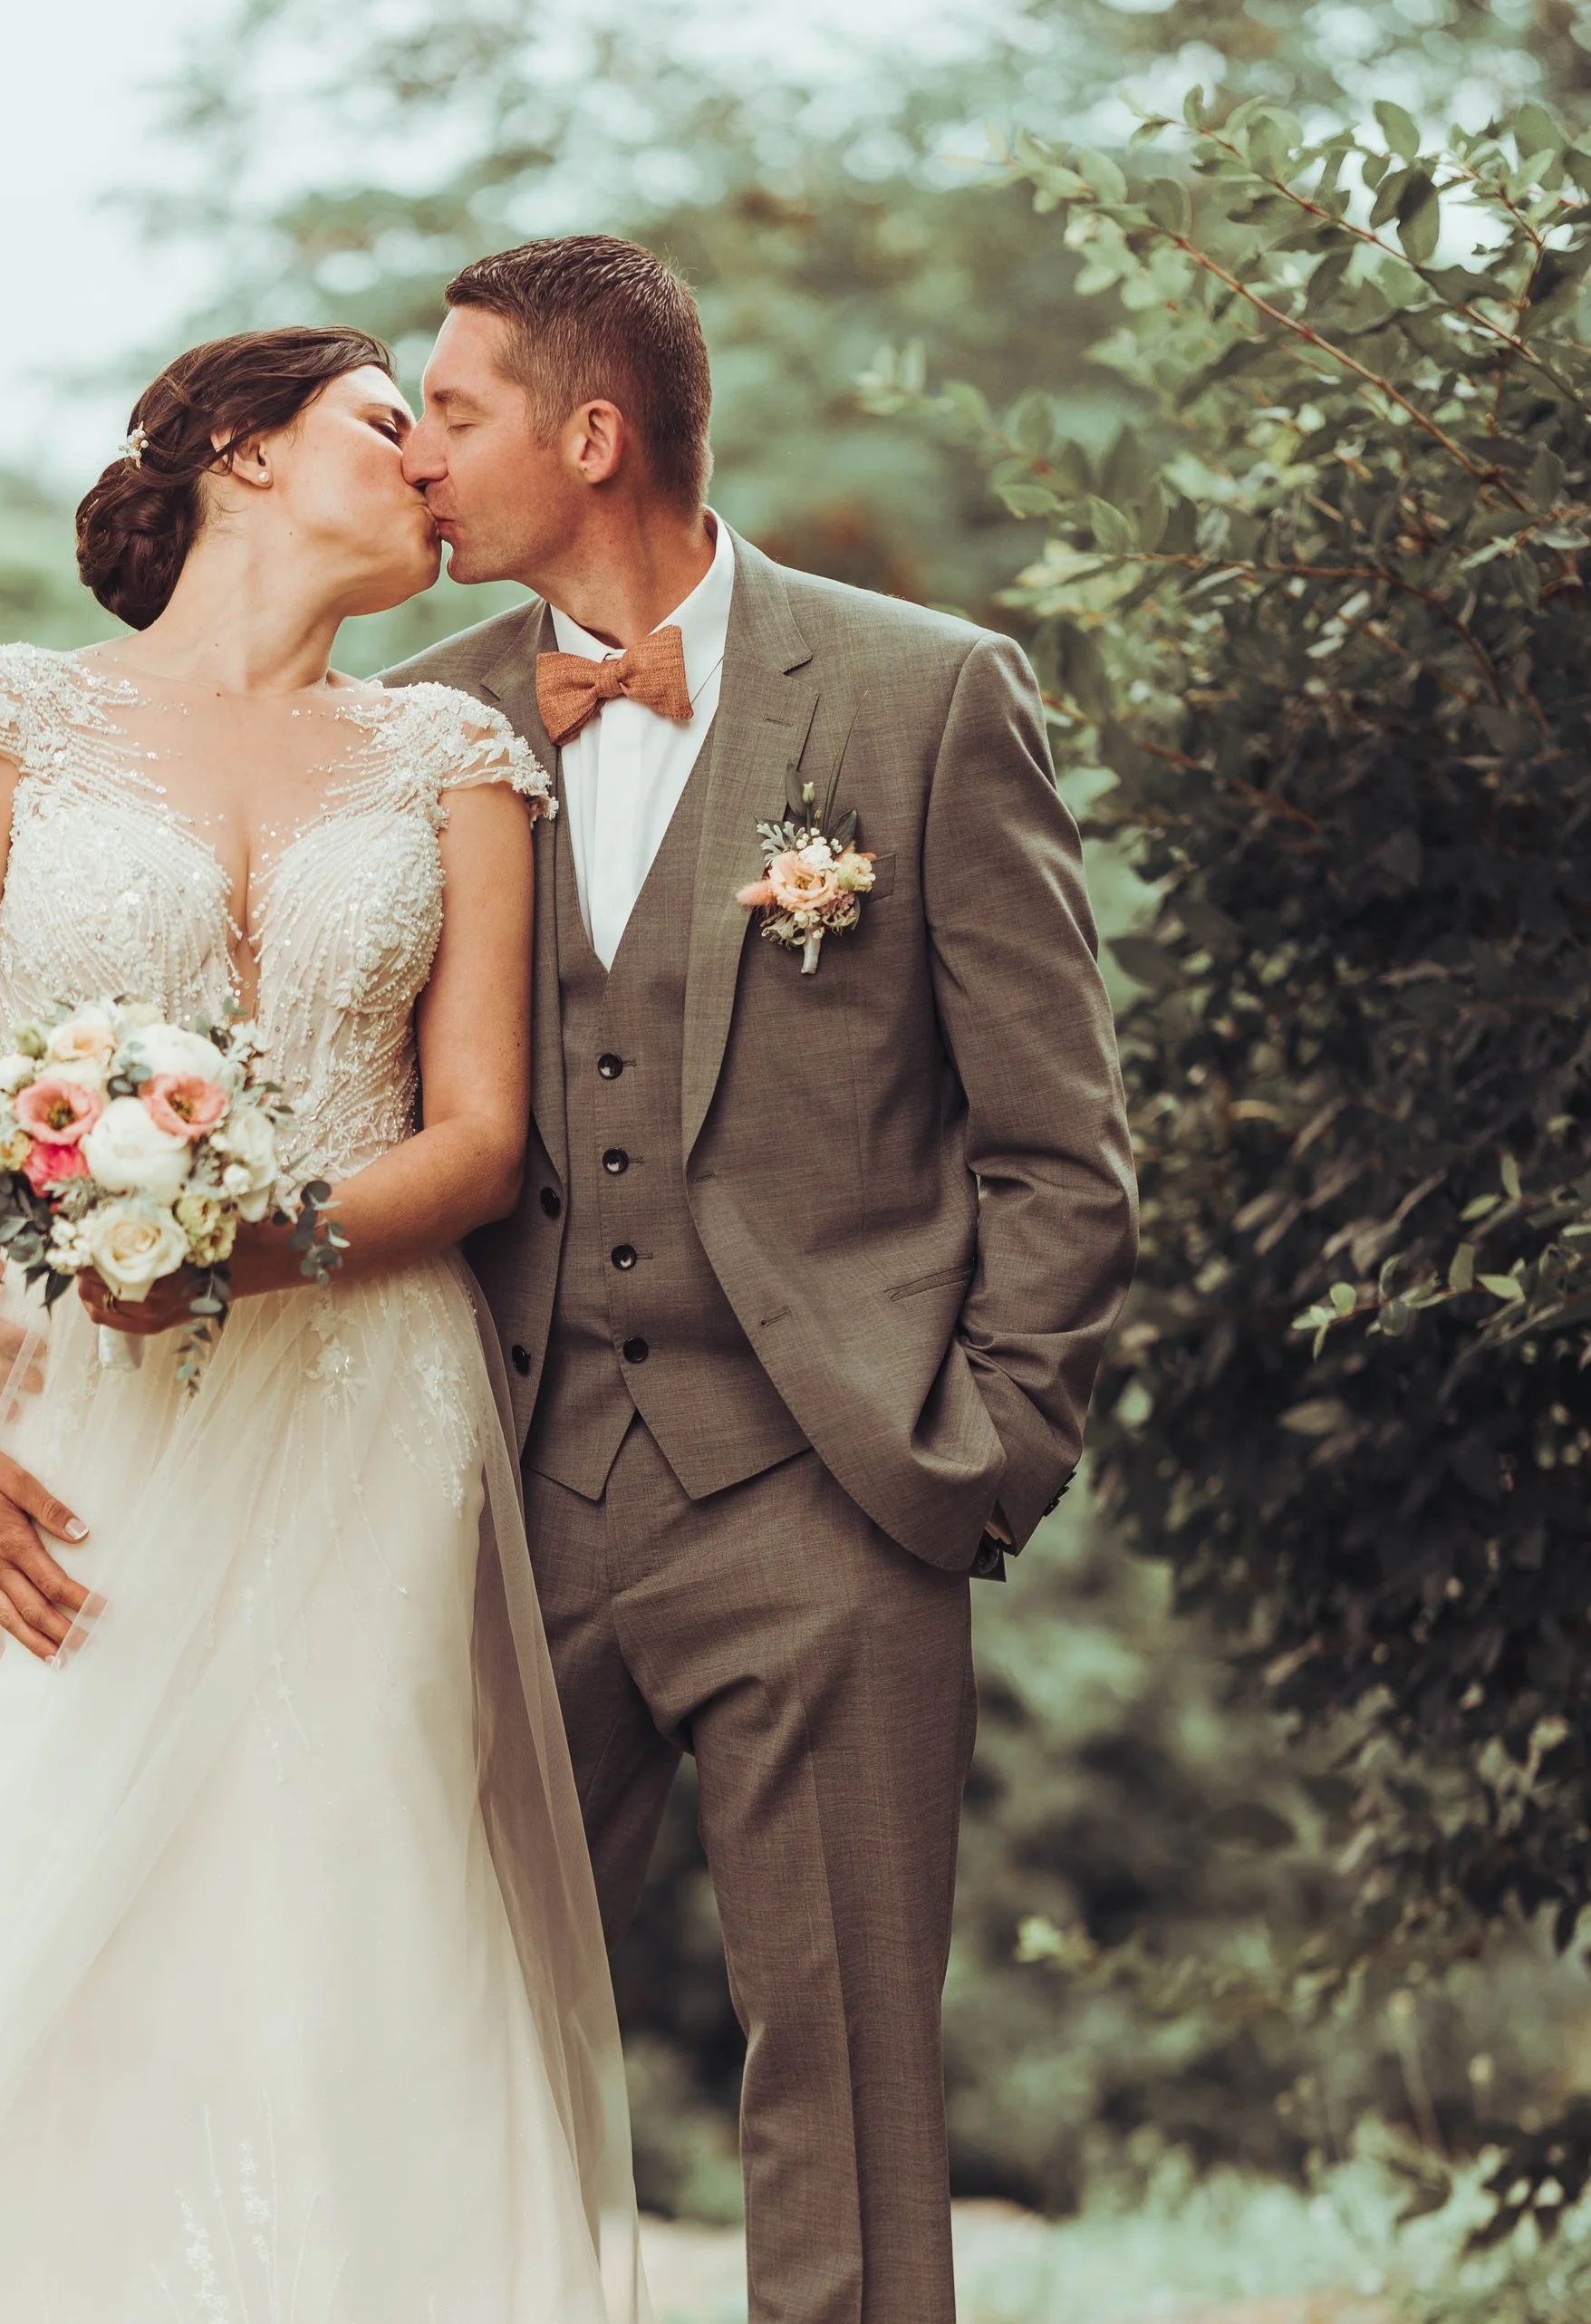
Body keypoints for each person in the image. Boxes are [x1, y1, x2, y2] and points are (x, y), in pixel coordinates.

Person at [0, 325, 646, 2323]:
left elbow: (473, 1144)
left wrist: (230, 1240)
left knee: (353, 1895)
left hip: (370, 1401)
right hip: (69, 1422)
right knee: (23, 1907)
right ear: (238, 448)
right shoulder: (6, 721)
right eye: (391, 424)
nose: (430, 466)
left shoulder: (457, 760)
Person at [378, 236, 1137, 2324]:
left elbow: (1055, 1142)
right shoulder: (422, 728)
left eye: (450, 414)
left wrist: (973, 1455)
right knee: (439, 2046)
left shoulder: (919, 692)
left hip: (831, 1492)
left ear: (589, 434)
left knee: (847, 2087)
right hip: (511, 1500)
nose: (416, 457)